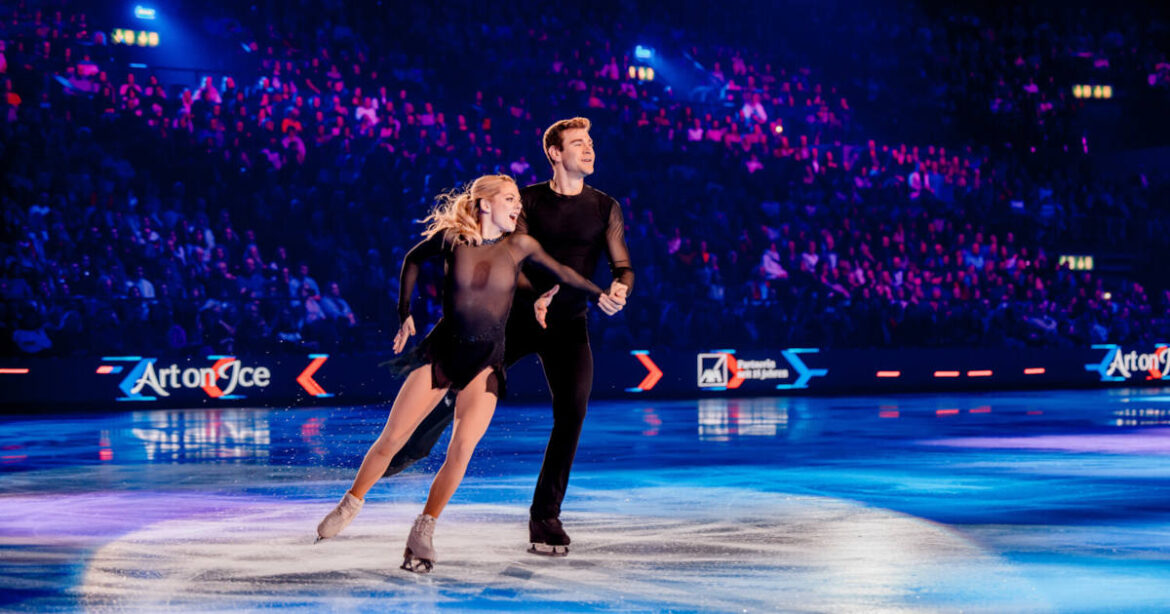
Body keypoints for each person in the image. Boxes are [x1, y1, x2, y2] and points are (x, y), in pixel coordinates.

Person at [314, 174, 620, 573]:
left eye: (518, 201)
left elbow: (563, 273)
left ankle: (423, 531)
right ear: (485, 204)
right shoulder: (451, 240)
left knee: (461, 450)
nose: (518, 207)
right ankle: (352, 501)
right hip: (442, 356)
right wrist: (404, 314)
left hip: (487, 363)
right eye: (510, 199)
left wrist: (599, 295)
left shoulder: (520, 245)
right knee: (392, 438)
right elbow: (411, 260)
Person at [385, 117, 634, 556]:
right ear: (555, 153)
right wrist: (541, 295)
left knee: (572, 414)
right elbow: (512, 261)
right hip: (513, 318)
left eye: (591, 141)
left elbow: (622, 265)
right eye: (579, 143)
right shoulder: (528, 202)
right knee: (456, 382)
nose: (590, 148)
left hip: (569, 324)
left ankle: (545, 517)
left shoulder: (605, 207)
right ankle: (413, 444)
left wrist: (620, 288)